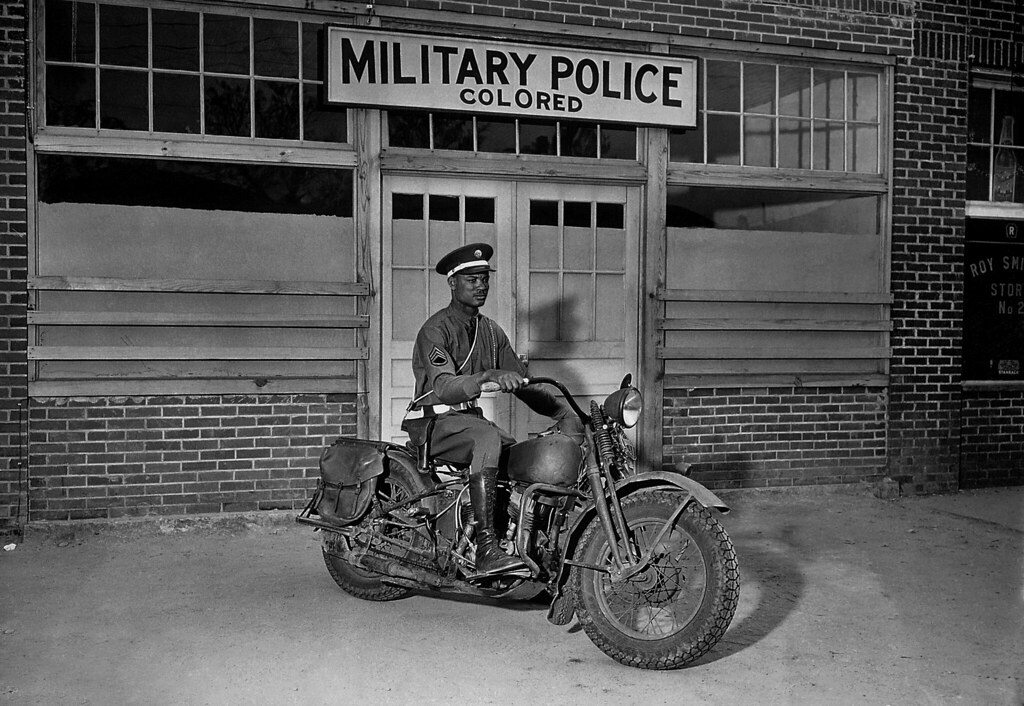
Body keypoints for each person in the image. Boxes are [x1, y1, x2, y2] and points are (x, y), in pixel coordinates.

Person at [410, 242, 578, 577]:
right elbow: (443, 386)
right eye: (472, 279)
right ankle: (487, 550)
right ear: (453, 283)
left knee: (517, 453)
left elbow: (524, 386)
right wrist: (486, 376)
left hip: (467, 421)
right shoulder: (435, 329)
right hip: (432, 420)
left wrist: (567, 413)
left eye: (484, 278)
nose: (480, 285)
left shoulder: (490, 332)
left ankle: (515, 539)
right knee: (488, 438)